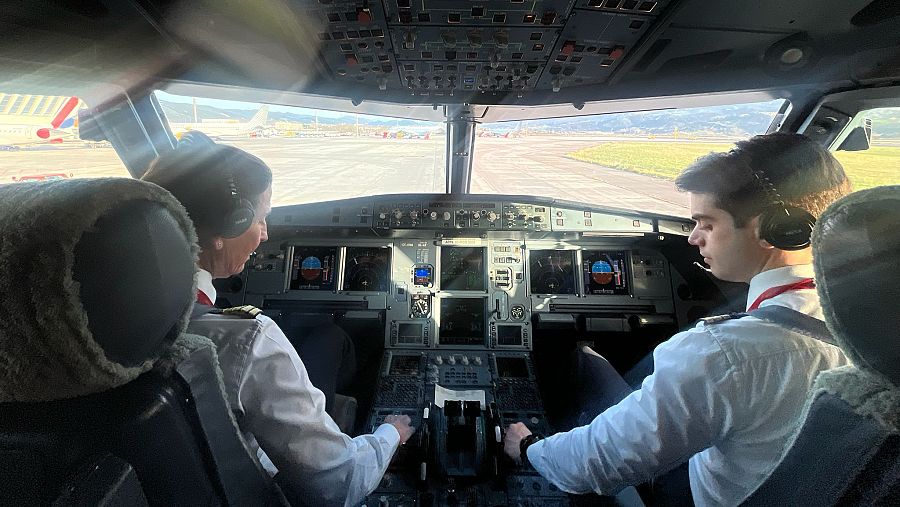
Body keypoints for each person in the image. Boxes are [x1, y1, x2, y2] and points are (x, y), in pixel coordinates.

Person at [503, 133, 853, 505]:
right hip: (782, 481)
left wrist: (528, 446)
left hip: (697, 493)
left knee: (582, 359)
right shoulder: (861, 315)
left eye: (706, 223)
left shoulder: (727, 351)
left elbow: (591, 464)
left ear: (776, 229)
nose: (692, 239)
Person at [141, 137, 415, 507]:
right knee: (333, 339)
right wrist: (390, 434)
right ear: (225, 229)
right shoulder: (243, 340)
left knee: (329, 336)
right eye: (259, 218)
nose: (266, 233)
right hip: (260, 487)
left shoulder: (92, 320)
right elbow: (339, 483)